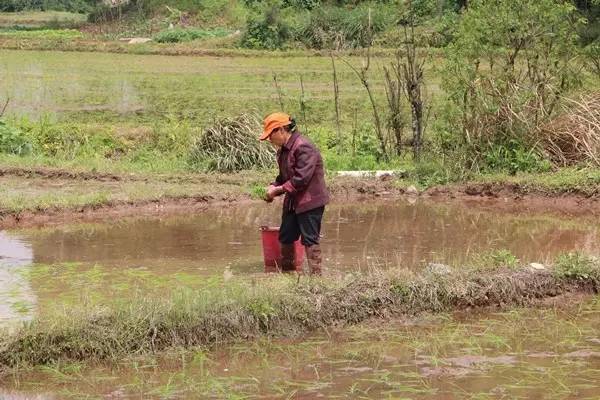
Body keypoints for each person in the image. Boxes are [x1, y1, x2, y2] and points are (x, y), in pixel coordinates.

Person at [259, 112, 329, 275]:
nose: (269, 140)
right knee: (286, 236)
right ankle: (288, 275)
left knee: (310, 239)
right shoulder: (282, 151)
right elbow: (283, 178)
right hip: (293, 201)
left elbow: (301, 179)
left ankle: (316, 279)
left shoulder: (303, 147)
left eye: (271, 135)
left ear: (281, 130)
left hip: (310, 202)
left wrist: (278, 189)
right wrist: (272, 188)